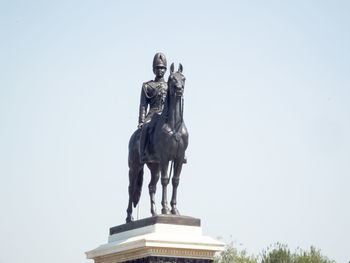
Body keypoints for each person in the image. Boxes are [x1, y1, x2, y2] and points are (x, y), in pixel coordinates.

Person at [138, 52, 168, 162]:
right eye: (157, 68)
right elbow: (143, 105)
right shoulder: (147, 86)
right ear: (153, 70)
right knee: (146, 127)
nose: (160, 70)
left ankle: (179, 154)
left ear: (165, 70)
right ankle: (143, 153)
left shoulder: (170, 85)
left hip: (166, 116)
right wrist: (141, 121)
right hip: (152, 114)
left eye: (162, 68)